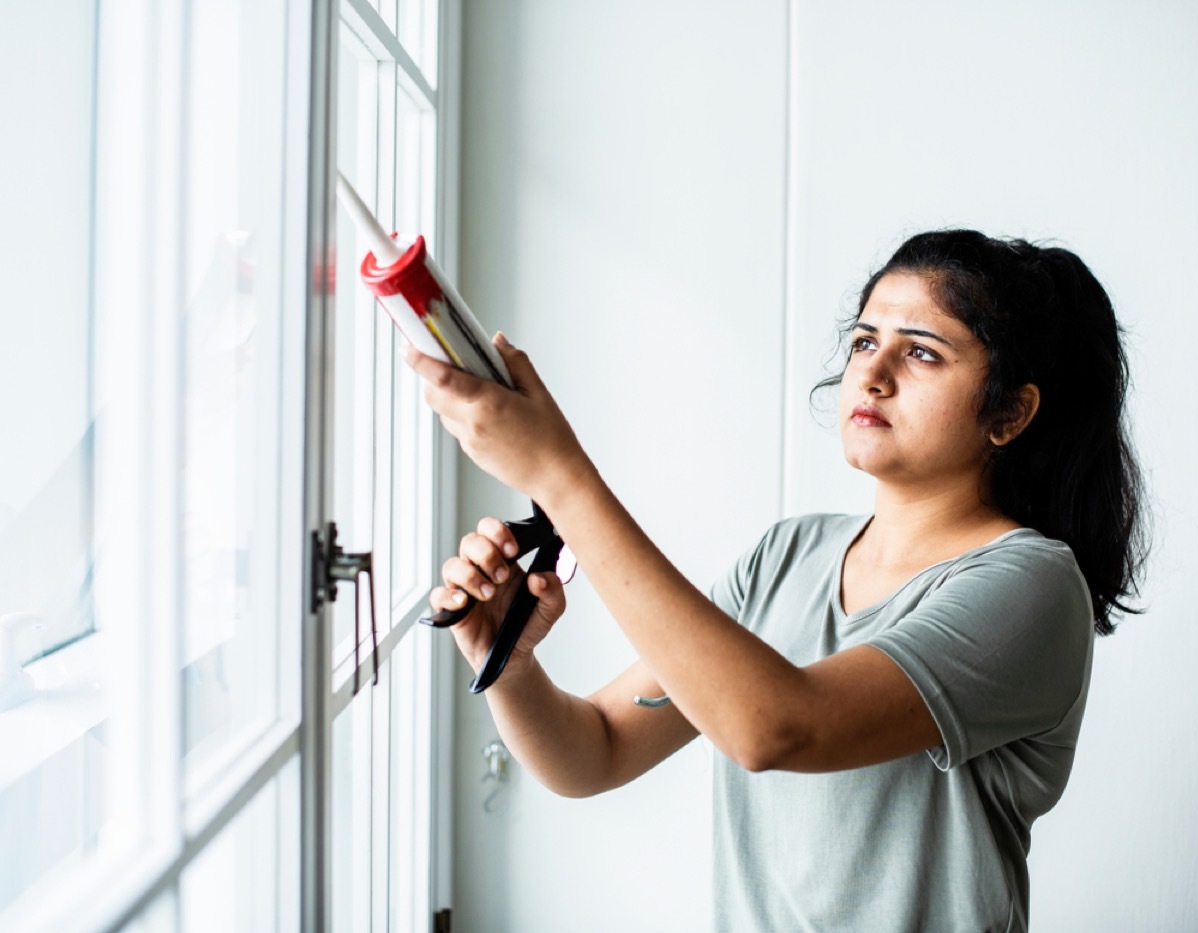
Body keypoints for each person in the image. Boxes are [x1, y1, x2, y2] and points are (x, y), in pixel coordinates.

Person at [404, 229, 1147, 932]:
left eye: (922, 352)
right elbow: (595, 749)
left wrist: (559, 476)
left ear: (1011, 413)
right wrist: (506, 661)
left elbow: (776, 726)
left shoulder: (1033, 587)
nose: (873, 373)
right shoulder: (788, 554)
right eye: (864, 340)